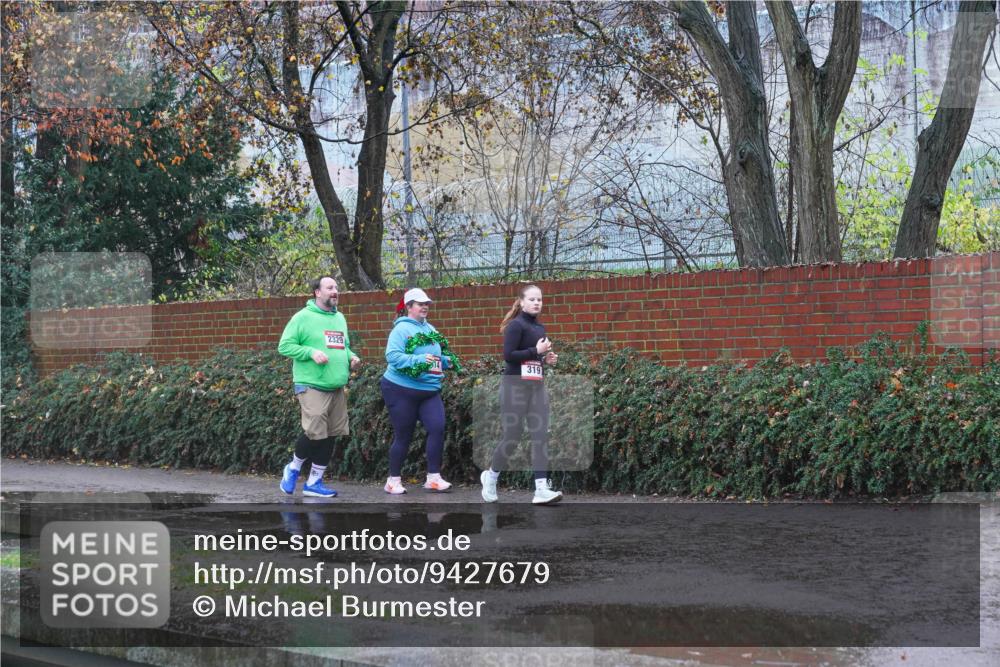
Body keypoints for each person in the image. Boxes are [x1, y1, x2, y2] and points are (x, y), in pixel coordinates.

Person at [277, 276, 361, 498]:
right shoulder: (302, 317)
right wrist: (311, 352)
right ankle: (293, 468)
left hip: (336, 385)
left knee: (331, 433)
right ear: (317, 292)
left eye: (337, 287)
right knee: (315, 431)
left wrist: (351, 357)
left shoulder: (339, 318)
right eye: (330, 287)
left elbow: (343, 346)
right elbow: (284, 346)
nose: (335, 291)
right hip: (311, 384)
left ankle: (314, 482)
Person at [481, 284, 562, 505]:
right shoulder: (515, 326)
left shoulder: (540, 328)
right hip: (514, 388)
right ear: (522, 302)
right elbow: (509, 356)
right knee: (512, 437)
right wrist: (536, 351)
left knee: (540, 435)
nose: (537, 303)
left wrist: (546, 359)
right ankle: (491, 477)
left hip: (536, 388)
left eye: (540, 299)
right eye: (532, 299)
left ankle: (541, 489)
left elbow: (533, 359)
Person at [381, 288, 461, 494]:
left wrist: (446, 361)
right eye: (420, 304)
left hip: (429, 390)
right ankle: (393, 481)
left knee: (437, 428)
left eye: (427, 304)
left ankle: (433, 478)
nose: (425, 307)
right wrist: (418, 360)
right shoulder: (400, 330)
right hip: (400, 389)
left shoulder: (431, 329)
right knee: (404, 435)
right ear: (409, 307)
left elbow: (434, 359)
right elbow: (392, 356)